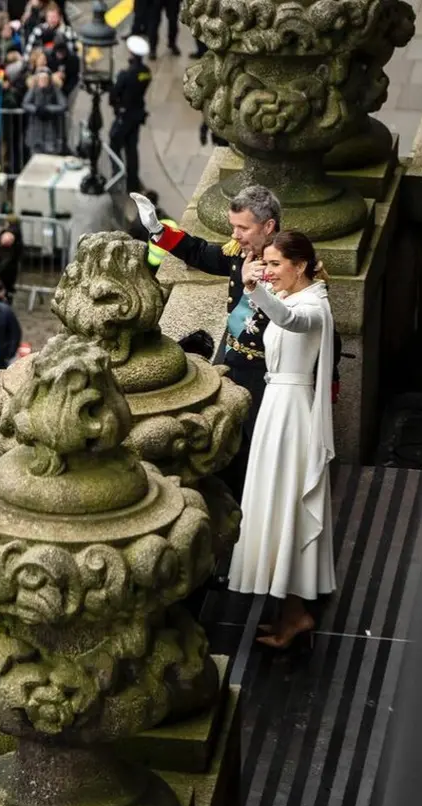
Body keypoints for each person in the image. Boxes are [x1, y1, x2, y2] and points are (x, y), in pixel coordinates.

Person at [131, 186, 280, 493]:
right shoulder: (242, 252)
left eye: (243, 228)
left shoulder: (287, 263)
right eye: (233, 227)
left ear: (268, 226)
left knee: (258, 449)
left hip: (268, 372)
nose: (235, 235)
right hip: (233, 359)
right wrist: (158, 230)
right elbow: (202, 253)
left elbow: (309, 318)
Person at [229, 231, 335, 649]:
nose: (269, 271)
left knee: (289, 504)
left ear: (300, 265)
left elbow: (291, 322)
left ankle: (295, 615)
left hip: (292, 414)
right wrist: (258, 289)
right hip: (276, 406)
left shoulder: (314, 306)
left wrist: (255, 288)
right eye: (267, 263)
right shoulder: (291, 297)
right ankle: (288, 613)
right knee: (276, 505)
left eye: (276, 264)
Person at [109, 37, 152, 195]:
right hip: (137, 114)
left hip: (125, 114)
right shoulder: (146, 73)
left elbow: (114, 93)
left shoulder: (126, 75)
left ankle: (117, 175)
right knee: (132, 148)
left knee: (114, 142)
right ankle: (132, 182)